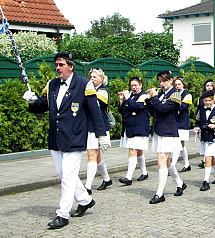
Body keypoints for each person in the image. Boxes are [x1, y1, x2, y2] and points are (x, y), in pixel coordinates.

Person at [23, 52, 110, 229]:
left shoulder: (84, 84)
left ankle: (62, 214)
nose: (58, 68)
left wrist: (102, 135)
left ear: (71, 66)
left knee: (68, 178)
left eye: (61, 64)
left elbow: (94, 111)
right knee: (64, 175)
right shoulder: (52, 84)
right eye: (56, 64)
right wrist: (32, 101)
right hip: (56, 137)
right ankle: (85, 200)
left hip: (75, 137)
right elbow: (43, 106)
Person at [146, 70, 187, 204]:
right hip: (159, 131)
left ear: (171, 80)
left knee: (161, 161)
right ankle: (180, 183)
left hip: (168, 132)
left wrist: (154, 98)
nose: (161, 83)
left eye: (164, 80)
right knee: (166, 162)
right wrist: (149, 100)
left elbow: (164, 110)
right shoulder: (162, 94)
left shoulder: (175, 94)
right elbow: (155, 111)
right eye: (160, 81)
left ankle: (160, 193)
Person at [84, 68, 113, 195]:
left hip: (98, 127)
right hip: (89, 126)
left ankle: (87, 186)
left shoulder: (103, 92)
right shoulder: (91, 90)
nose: (92, 79)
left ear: (102, 78)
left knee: (92, 154)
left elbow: (94, 103)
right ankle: (107, 179)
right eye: (91, 76)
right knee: (96, 156)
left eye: (95, 77)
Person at [118, 76, 149, 185]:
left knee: (132, 150)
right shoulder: (130, 96)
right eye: (131, 85)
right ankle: (144, 172)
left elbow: (136, 107)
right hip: (130, 127)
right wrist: (122, 100)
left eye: (135, 85)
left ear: (140, 85)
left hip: (139, 127)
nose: (133, 87)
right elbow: (122, 111)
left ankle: (128, 177)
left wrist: (128, 98)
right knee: (139, 151)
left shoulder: (144, 96)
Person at [197, 79, 215, 168]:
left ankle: (206, 180)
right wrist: (197, 127)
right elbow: (198, 119)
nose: (208, 102)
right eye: (206, 100)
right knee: (210, 158)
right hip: (205, 134)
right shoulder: (201, 107)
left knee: (208, 157)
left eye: (210, 100)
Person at [172, 77, 193, 172]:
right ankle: (187, 164)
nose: (177, 86)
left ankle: (172, 166)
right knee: (181, 145)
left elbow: (182, 107)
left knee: (179, 144)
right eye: (176, 85)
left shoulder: (187, 95)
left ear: (183, 85)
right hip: (174, 121)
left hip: (182, 121)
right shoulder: (173, 94)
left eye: (179, 84)